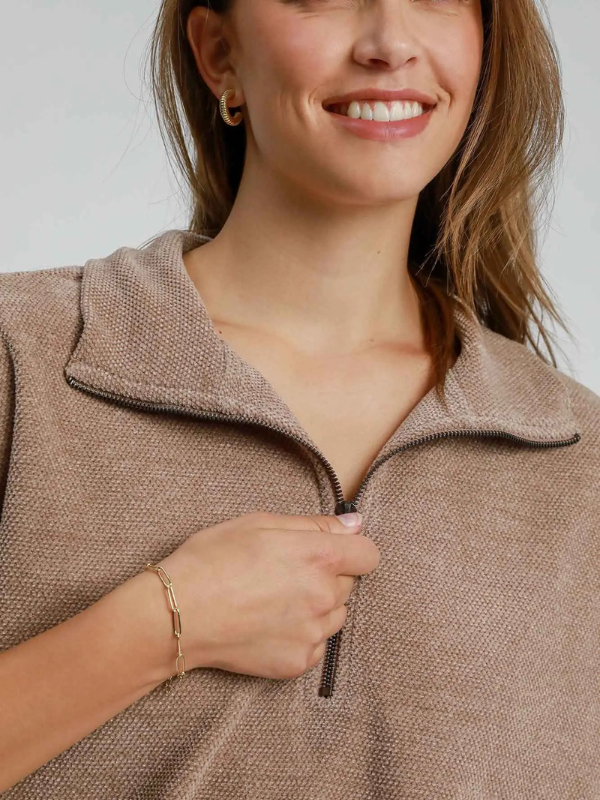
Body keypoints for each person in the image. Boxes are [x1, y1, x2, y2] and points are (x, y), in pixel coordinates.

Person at [0, 0, 598, 797]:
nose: (388, 43)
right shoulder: (21, 360)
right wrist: (162, 624)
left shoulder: (579, 464)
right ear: (219, 53)